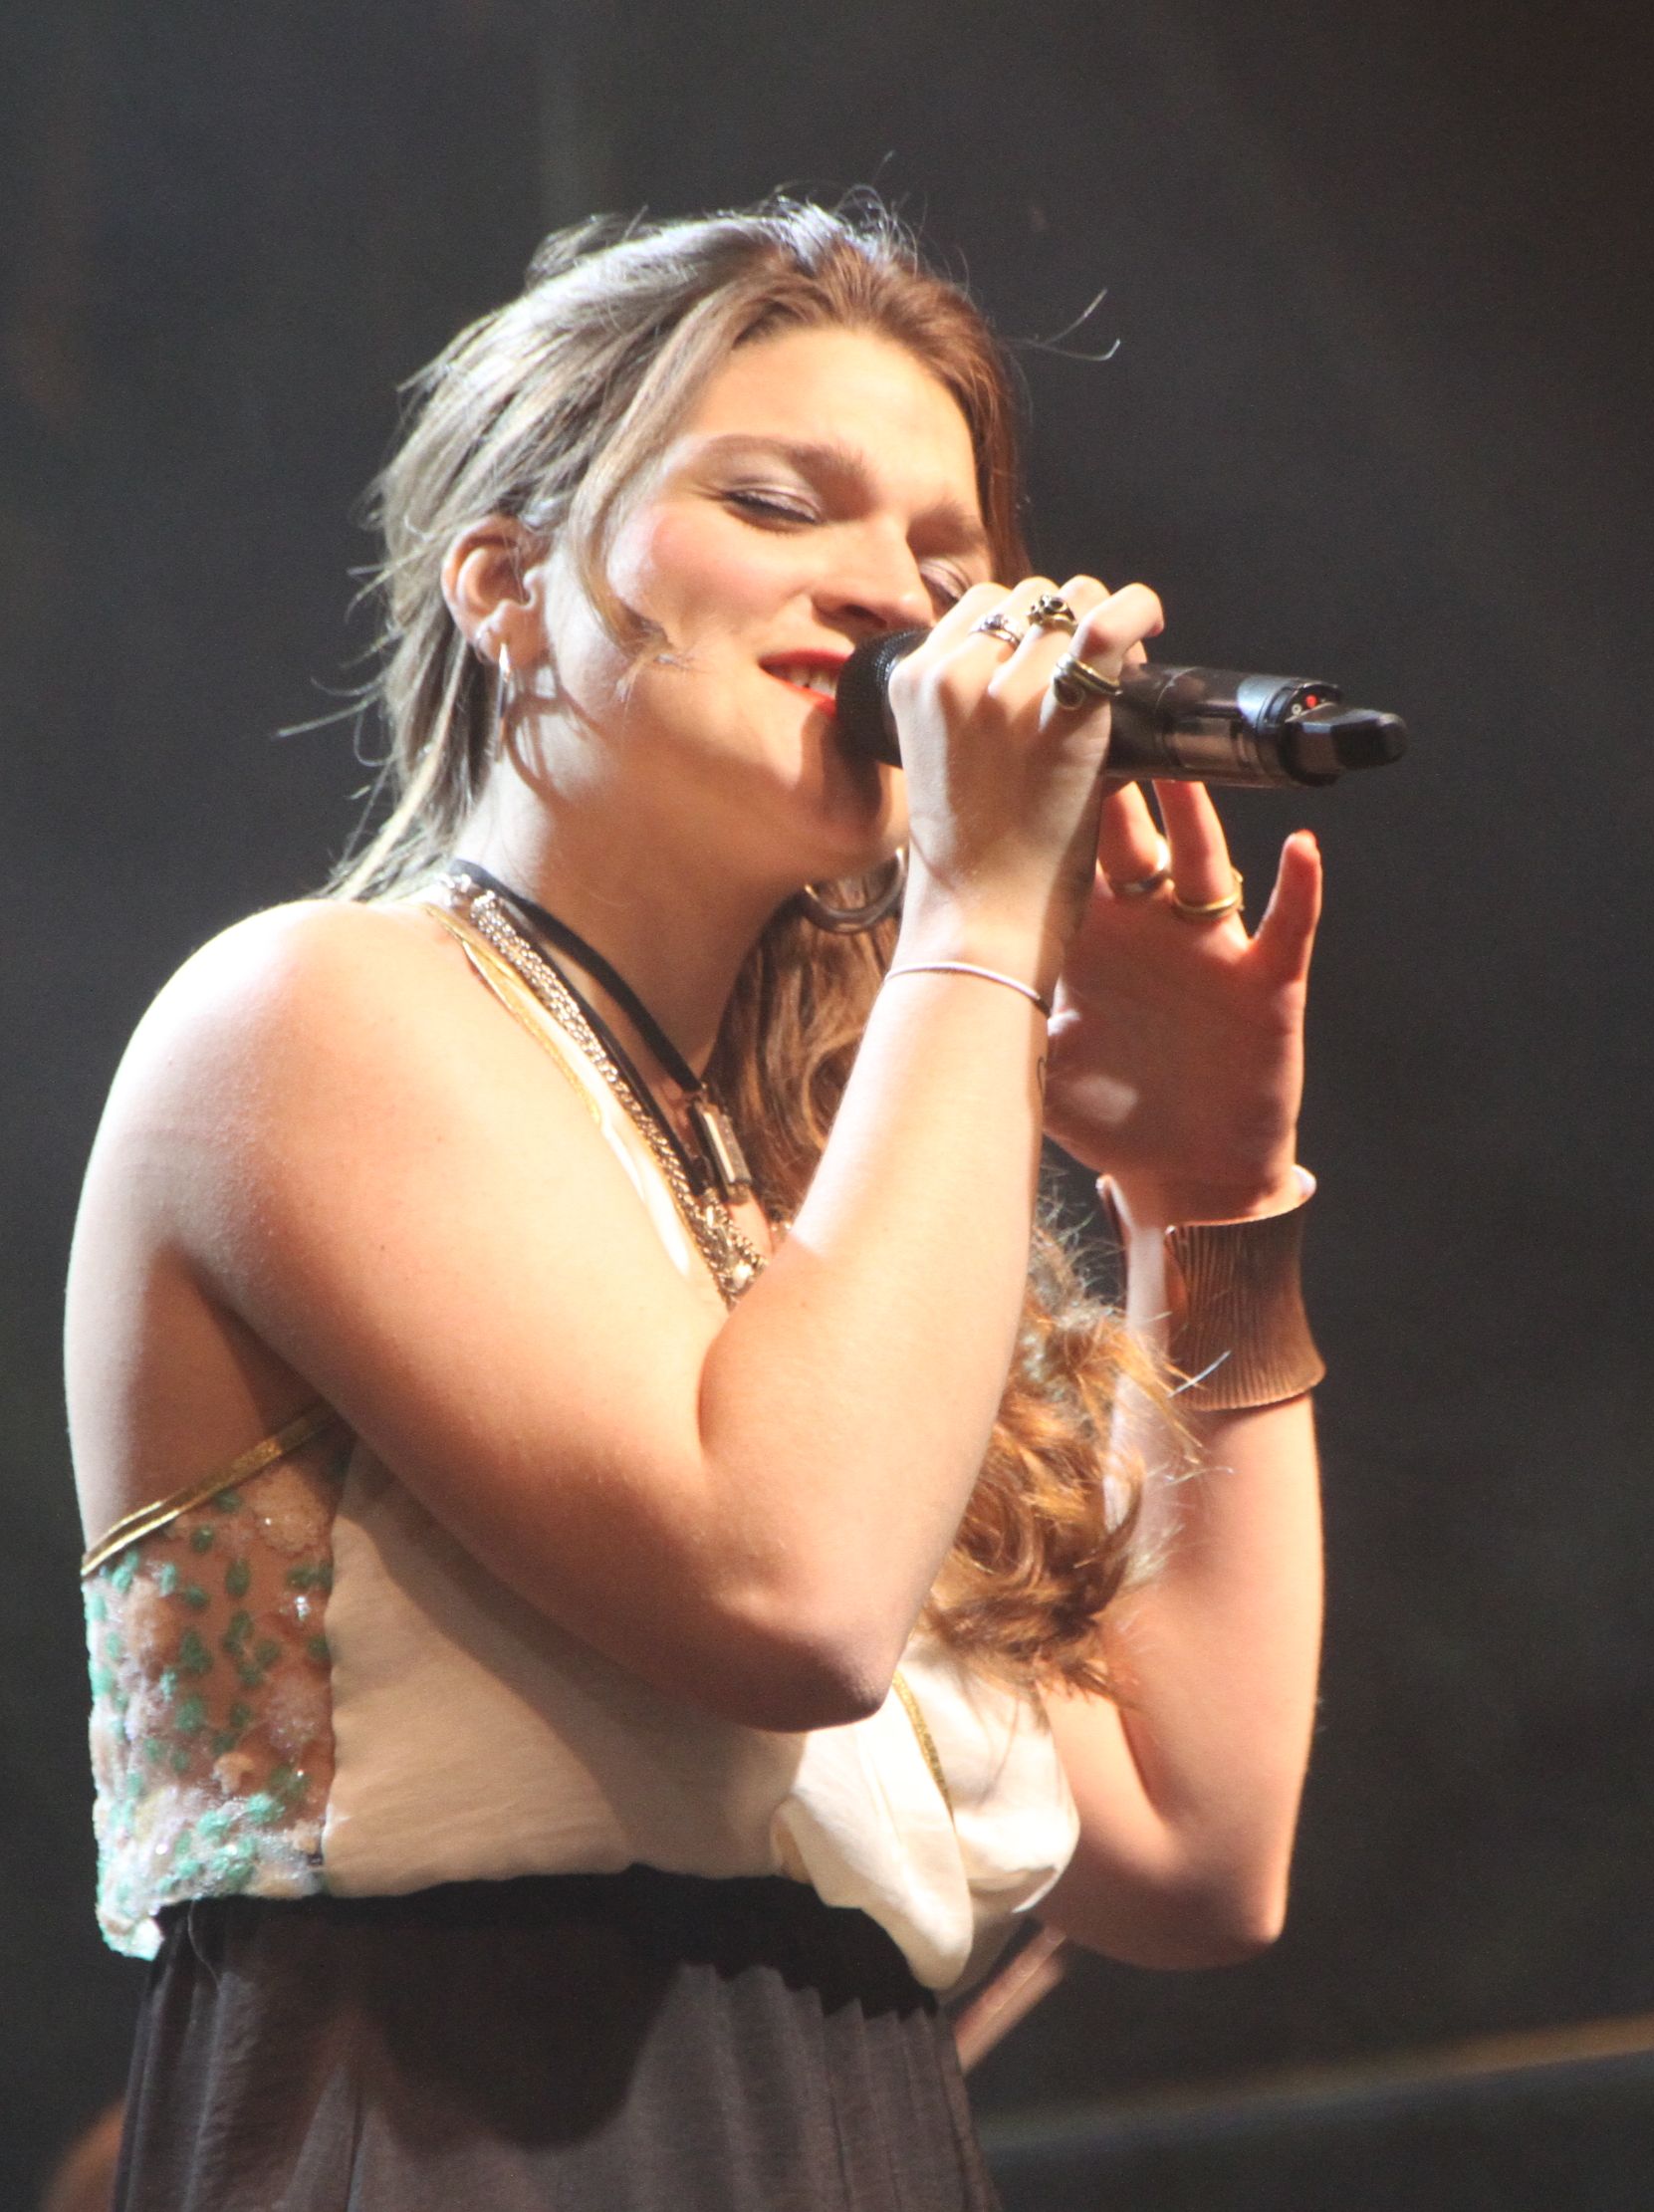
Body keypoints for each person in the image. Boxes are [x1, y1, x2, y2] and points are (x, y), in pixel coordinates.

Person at [65, 196, 1327, 2208]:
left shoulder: (801, 1209)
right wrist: (980, 916)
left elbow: (1196, 1847)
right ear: (507, 584)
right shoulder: (307, 1013)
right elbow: (786, 1589)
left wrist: (1208, 1199)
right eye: (774, 501)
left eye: (947, 559)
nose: (893, 597)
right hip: (468, 2133)